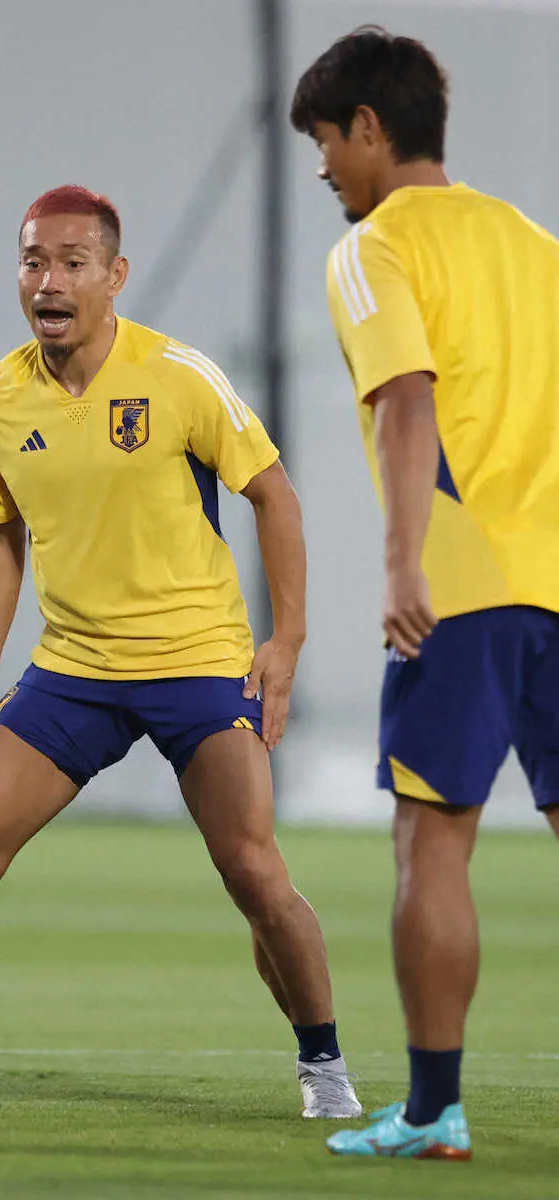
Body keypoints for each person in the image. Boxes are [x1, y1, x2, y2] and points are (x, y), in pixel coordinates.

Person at [0, 184, 362, 1121]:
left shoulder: (178, 376)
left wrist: (287, 641)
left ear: (114, 275)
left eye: (71, 263)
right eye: (33, 262)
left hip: (196, 660)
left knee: (255, 873)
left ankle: (326, 1072)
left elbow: (275, 496)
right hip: (75, 669)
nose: (48, 281)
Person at [290, 26, 559, 1161]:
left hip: (464, 586)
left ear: (368, 127)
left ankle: (432, 1110)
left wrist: (402, 562)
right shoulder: (535, 243)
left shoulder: (375, 245)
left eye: (324, 140)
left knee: (432, 843)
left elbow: (407, 399)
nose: (321, 167)